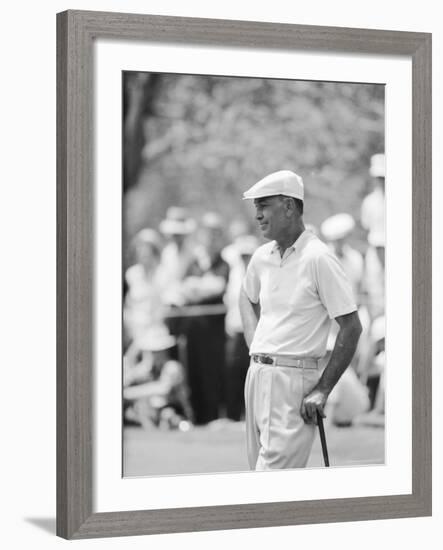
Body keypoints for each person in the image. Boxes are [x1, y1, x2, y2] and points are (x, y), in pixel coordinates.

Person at [239, 170, 362, 470]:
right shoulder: (261, 257)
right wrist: (254, 344)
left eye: (264, 205)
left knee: (272, 483)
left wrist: (323, 388)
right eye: (257, 207)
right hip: (257, 376)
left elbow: (351, 325)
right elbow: (245, 297)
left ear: (289, 207)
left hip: (293, 382)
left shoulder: (318, 257)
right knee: (257, 478)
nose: (257, 215)